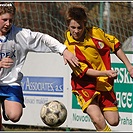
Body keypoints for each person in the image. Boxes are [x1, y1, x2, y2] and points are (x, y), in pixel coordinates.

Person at [0, 2, 79, 130]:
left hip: (10, 83)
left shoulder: (21, 35)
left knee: (15, 115)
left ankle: (6, 109)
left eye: (10, 20)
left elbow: (44, 39)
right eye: (4, 20)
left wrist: (63, 50)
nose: (8, 23)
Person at [64, 4, 133, 131]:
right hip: (84, 85)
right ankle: (94, 111)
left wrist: (129, 66)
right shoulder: (68, 48)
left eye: (80, 27)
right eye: (73, 27)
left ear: (85, 24)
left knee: (113, 121)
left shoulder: (95, 33)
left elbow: (115, 45)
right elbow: (85, 71)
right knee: (98, 118)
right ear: (68, 25)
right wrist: (105, 73)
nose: (76, 31)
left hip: (104, 83)